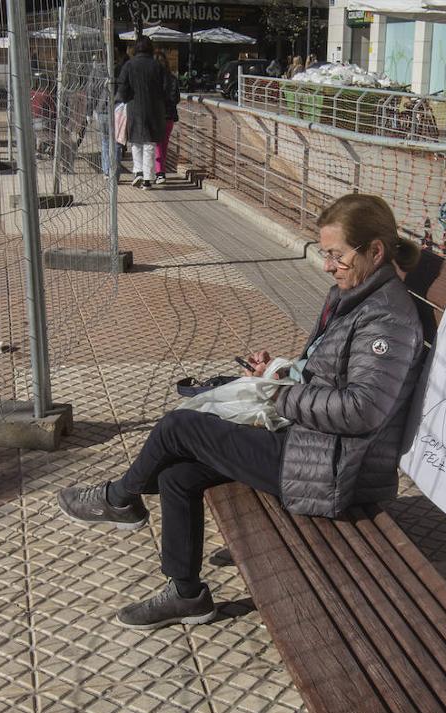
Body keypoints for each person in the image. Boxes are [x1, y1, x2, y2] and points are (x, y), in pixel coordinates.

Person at [57, 194, 426, 629]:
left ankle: (120, 498)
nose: (328, 266)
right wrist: (278, 372)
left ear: (375, 251)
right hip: (308, 442)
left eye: (337, 256)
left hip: (334, 470)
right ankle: (187, 594)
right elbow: (328, 377)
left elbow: (362, 410)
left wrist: (279, 397)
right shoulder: (354, 295)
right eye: (326, 254)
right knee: (178, 475)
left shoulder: (387, 320)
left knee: (180, 426)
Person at [117, 37, 168, 189]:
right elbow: (165, 87)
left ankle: (138, 171)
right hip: (154, 109)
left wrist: (126, 99)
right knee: (149, 144)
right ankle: (147, 178)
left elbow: (122, 87)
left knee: (136, 142)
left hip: (134, 107)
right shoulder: (157, 66)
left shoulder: (129, 65)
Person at [153, 51, 181, 185]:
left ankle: (160, 172)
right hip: (169, 116)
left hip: (157, 115)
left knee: (157, 144)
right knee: (164, 144)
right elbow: (177, 98)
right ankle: (161, 169)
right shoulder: (173, 79)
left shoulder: (154, 80)